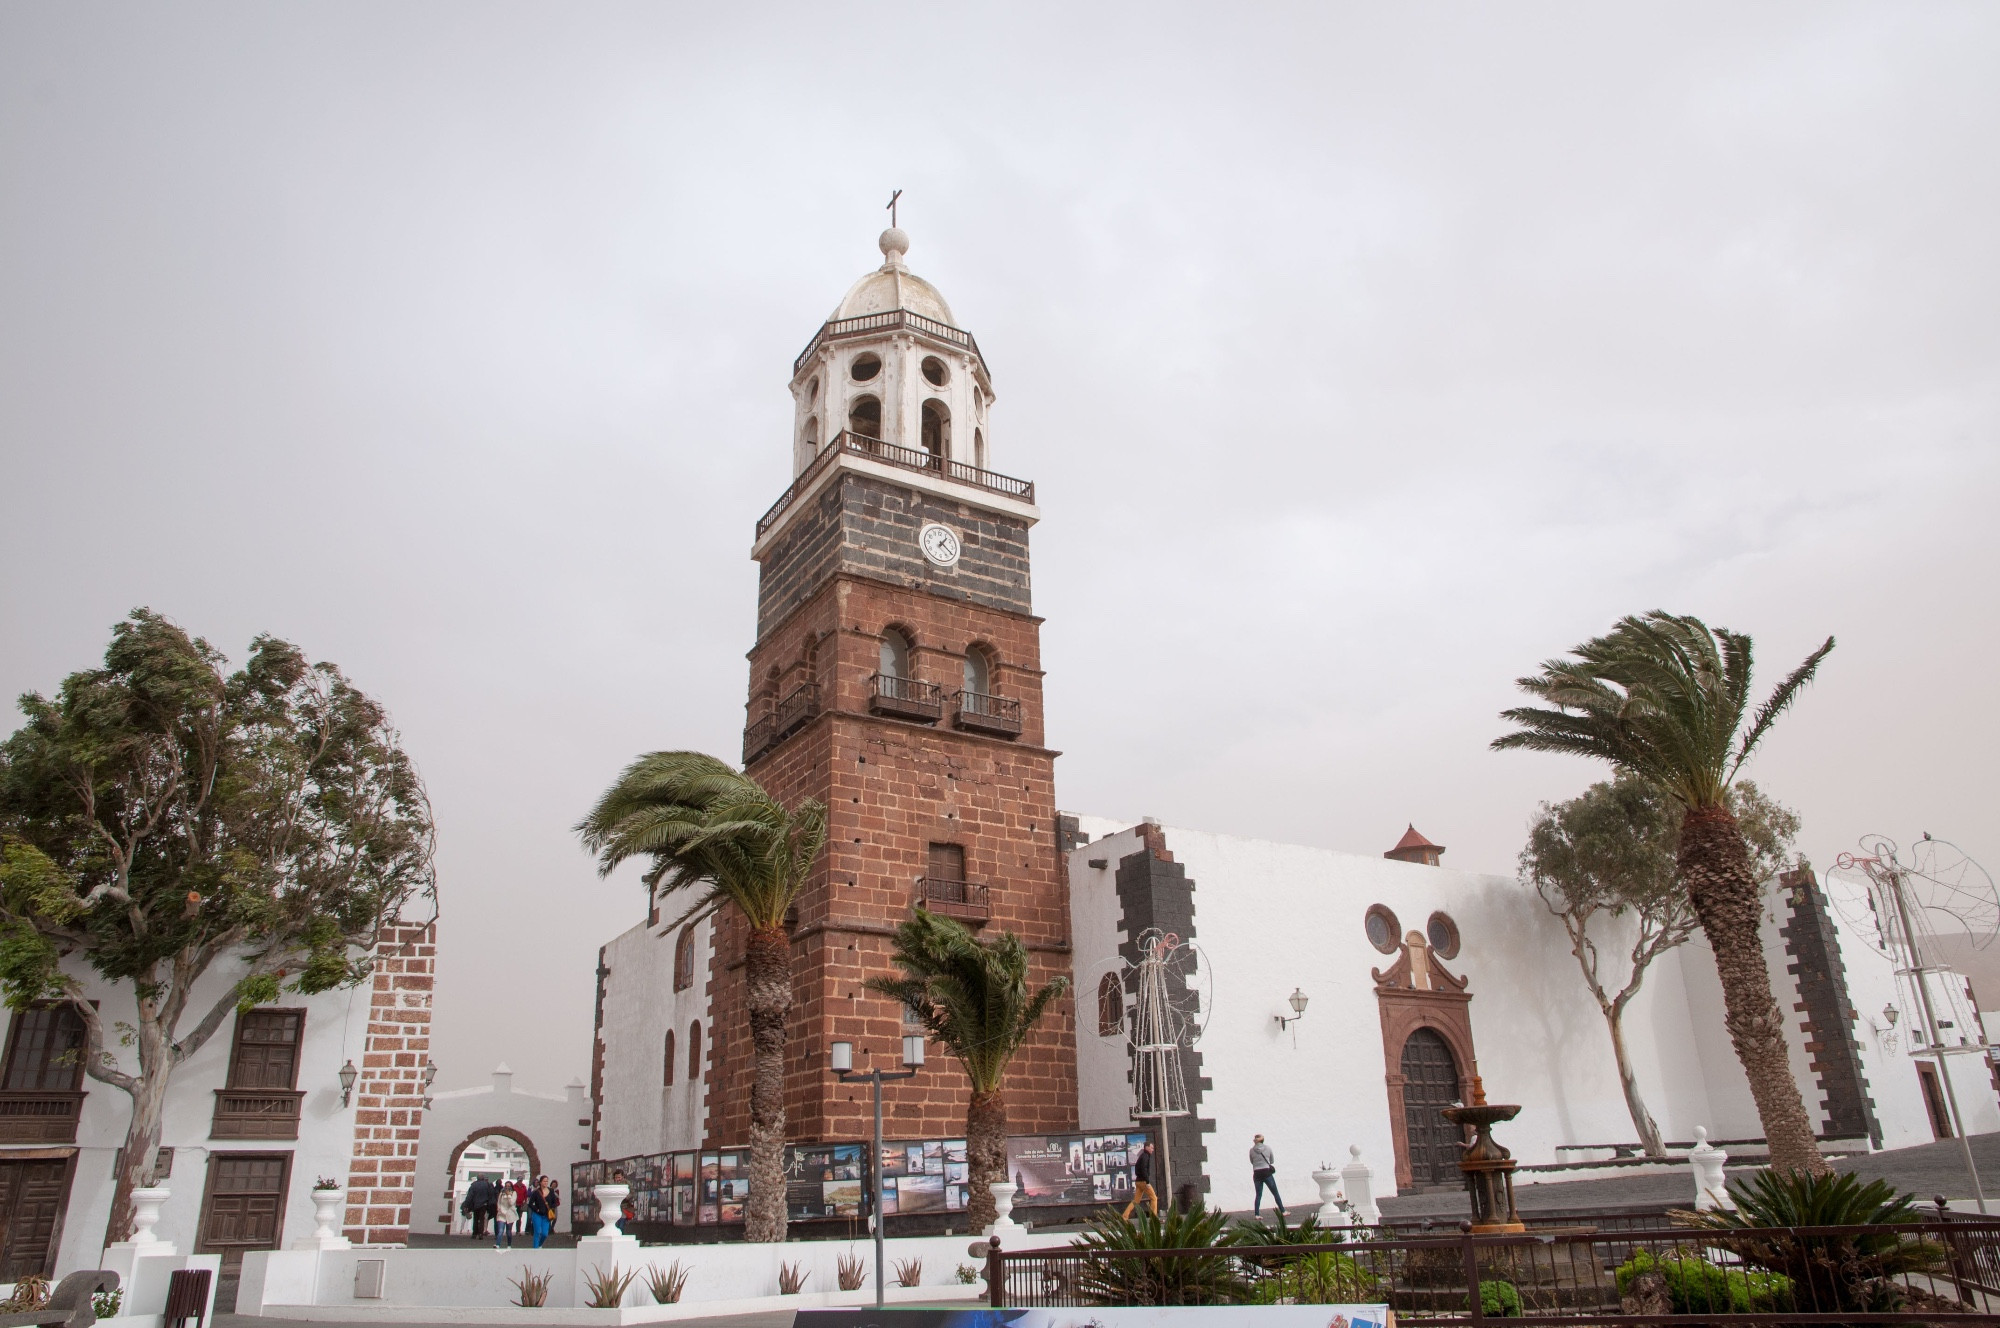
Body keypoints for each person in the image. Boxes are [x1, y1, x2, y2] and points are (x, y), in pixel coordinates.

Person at [1250, 1135, 1284, 1219]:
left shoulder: (1251, 1150)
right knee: (1275, 1192)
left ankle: (1257, 1214)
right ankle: (1283, 1210)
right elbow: (1272, 1161)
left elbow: (1251, 1161)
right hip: (1266, 1172)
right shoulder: (1268, 1148)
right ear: (1263, 1140)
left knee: (1258, 1194)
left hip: (1257, 1173)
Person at [1122, 1141, 1158, 1219]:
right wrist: (1147, 1182)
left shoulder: (1142, 1156)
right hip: (1143, 1182)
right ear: (1147, 1147)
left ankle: (1125, 1216)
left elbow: (1137, 1169)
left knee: (1136, 1201)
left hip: (1138, 1181)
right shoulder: (1145, 1156)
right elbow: (1144, 1169)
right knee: (1154, 1198)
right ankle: (1154, 1218)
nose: (1152, 1149)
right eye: (1151, 1148)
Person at [462, 1175, 495, 1240]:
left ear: (477, 1178)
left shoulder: (474, 1185)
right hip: (484, 1204)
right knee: (482, 1219)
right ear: (483, 1178)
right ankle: (480, 1233)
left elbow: (470, 1196)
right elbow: (490, 1194)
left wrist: (466, 1205)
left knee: (476, 1219)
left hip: (476, 1204)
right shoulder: (487, 1185)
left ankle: (474, 1233)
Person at [527, 1178, 554, 1249]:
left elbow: (554, 1202)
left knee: (545, 1233)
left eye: (547, 1181)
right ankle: (535, 1249)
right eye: (544, 1181)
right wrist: (537, 1210)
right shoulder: (536, 1192)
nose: (545, 1183)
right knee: (537, 1232)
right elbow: (530, 1203)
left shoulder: (551, 1191)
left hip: (546, 1215)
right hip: (537, 1215)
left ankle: (539, 1244)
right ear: (540, 1182)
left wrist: (551, 1209)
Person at [494, 1178, 517, 1249]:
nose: (507, 1187)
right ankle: (497, 1244)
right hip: (502, 1214)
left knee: (508, 1231)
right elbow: (499, 1202)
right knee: (500, 1230)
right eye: (506, 1186)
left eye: (509, 1186)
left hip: (510, 1214)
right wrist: (499, 1209)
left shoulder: (514, 1193)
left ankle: (509, 1245)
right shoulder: (501, 1193)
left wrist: (508, 1195)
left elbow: (511, 1203)